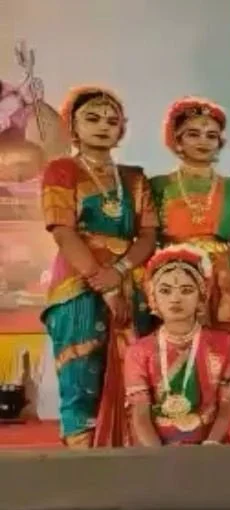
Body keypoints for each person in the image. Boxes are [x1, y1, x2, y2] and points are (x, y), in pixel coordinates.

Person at [43, 86, 158, 448]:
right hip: (77, 285)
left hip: (130, 284)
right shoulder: (61, 170)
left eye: (112, 120)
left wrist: (119, 272)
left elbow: (148, 236)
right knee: (80, 374)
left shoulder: (134, 178)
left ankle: (132, 462)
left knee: (135, 376)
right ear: (72, 127)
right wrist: (103, 282)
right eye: (92, 118)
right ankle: (82, 462)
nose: (103, 126)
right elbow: (63, 232)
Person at [150, 97, 230, 340]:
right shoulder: (158, 186)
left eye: (211, 136)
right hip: (175, 282)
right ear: (178, 141)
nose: (203, 141)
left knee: (223, 352)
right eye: (193, 134)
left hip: (225, 283)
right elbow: (149, 243)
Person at [124, 244, 230, 446]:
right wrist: (159, 456)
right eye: (165, 291)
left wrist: (210, 446)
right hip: (156, 450)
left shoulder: (223, 344)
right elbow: (140, 415)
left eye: (186, 290)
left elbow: (226, 407)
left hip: (211, 447)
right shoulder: (139, 351)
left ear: (201, 297)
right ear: (153, 299)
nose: (175, 299)